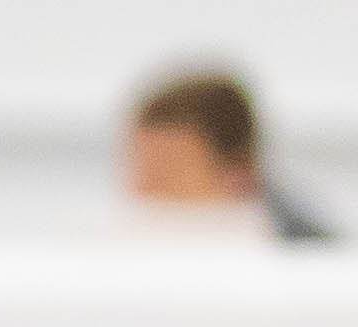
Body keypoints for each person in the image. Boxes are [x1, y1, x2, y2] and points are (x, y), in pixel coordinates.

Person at [121, 58, 334, 241]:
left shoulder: (303, 258)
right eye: (140, 168)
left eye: (167, 174)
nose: (141, 188)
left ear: (238, 175)